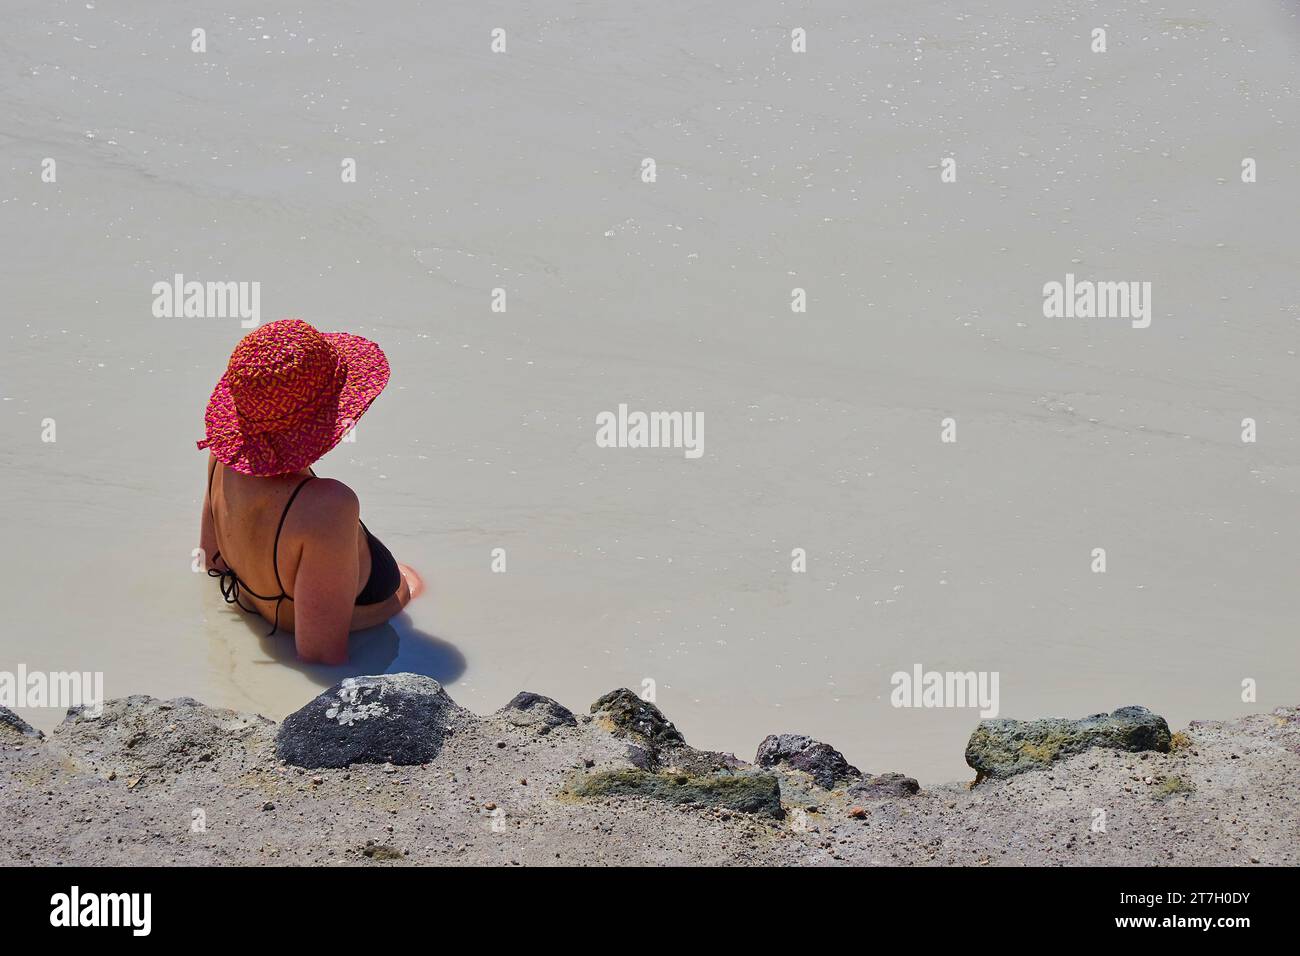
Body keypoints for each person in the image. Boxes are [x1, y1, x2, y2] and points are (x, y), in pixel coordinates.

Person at [196, 318, 417, 664]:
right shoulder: (327, 506)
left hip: (258, 614)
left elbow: (212, 561)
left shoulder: (224, 456)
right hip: (381, 632)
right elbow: (320, 655)